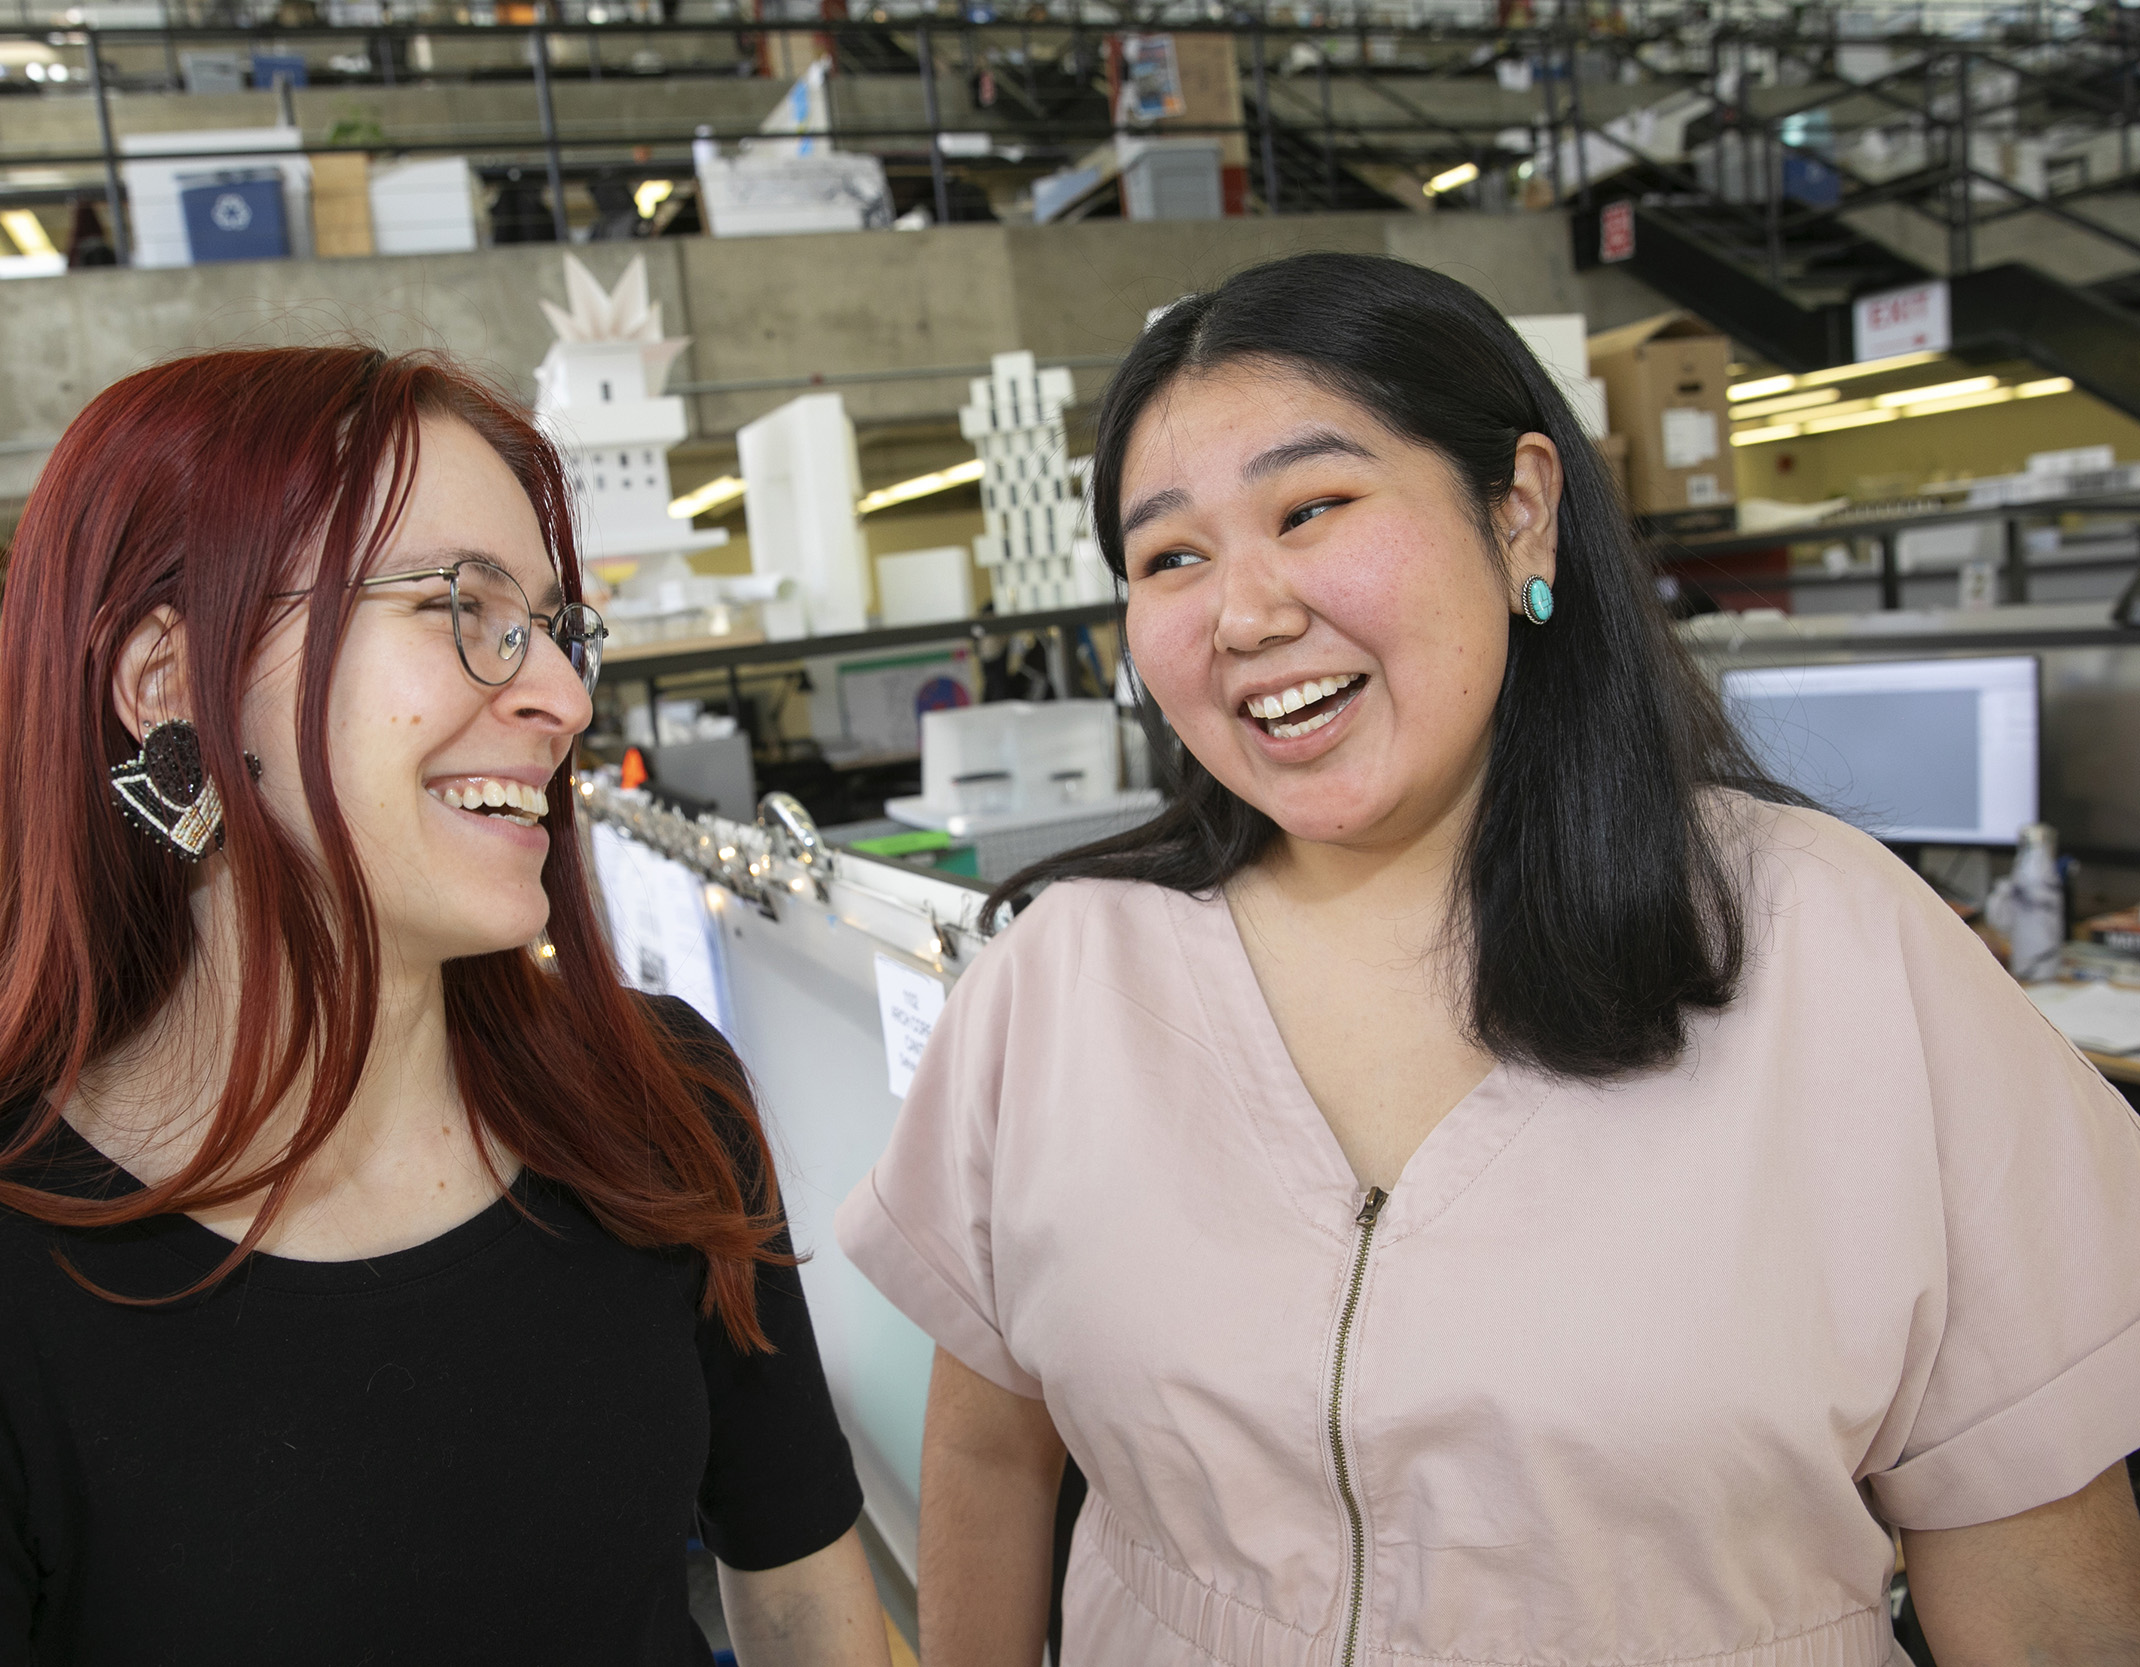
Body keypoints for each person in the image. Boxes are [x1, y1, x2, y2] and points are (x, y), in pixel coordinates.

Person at [836, 253, 2140, 1666]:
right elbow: (983, 1462)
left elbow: (2037, 1575)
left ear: (1519, 510)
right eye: (1171, 557)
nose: (1246, 612)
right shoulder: (1064, 983)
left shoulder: (1839, 953)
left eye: (1313, 507)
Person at [0, 346, 889, 1667]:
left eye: (557, 628)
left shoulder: (658, 1103)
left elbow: (801, 1598)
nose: (561, 698)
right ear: (171, 687)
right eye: (464, 607)